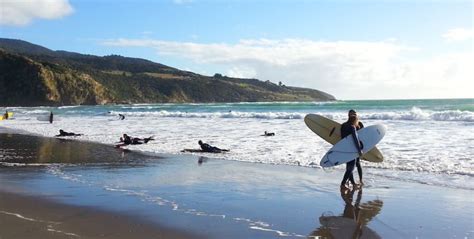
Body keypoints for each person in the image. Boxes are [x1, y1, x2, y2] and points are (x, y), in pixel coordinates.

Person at [340, 112, 364, 191]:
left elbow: (342, 138)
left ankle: (352, 182)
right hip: (352, 149)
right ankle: (343, 184)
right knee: (351, 168)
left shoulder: (343, 126)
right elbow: (355, 139)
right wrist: (359, 150)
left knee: (349, 167)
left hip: (345, 148)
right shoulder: (352, 127)